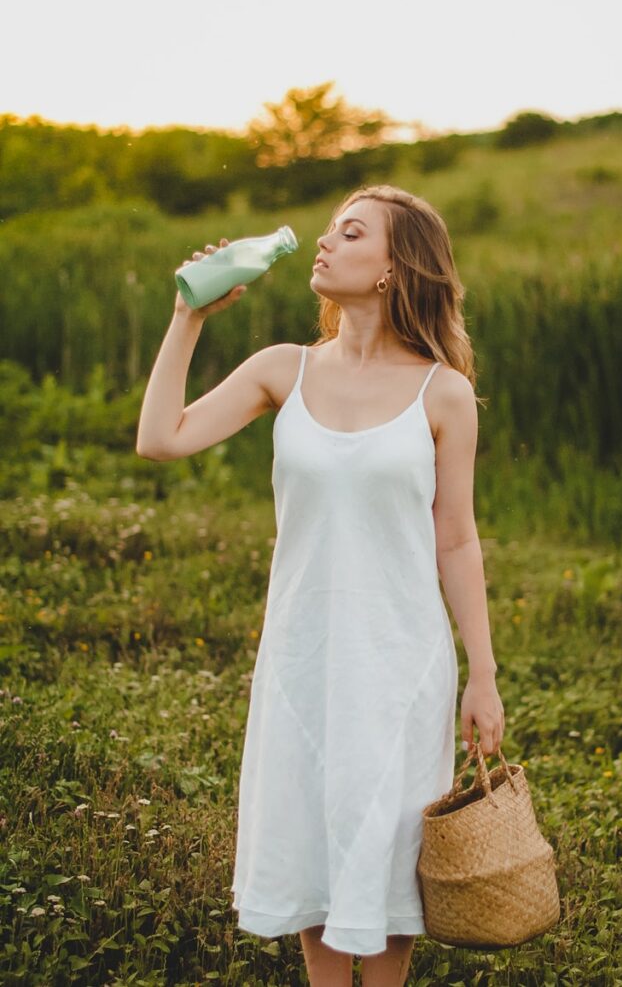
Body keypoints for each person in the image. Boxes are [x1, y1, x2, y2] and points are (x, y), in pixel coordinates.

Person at [136, 184, 505, 987]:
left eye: (350, 231)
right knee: (313, 853)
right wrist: (187, 316)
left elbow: (457, 537)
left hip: (401, 662)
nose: (324, 243)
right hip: (302, 655)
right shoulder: (282, 369)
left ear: (392, 268)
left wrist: (482, 672)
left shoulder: (440, 391)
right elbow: (160, 438)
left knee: (390, 867)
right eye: (331, 229)